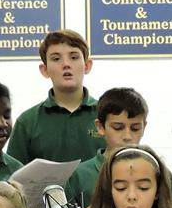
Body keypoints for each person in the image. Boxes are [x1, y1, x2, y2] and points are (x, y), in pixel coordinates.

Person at [7, 30, 105, 164]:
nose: (66, 64)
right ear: (44, 70)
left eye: (74, 57)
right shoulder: (27, 122)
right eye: (56, 59)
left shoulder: (107, 115)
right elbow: (14, 178)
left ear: (87, 66)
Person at [65, 87, 151, 207]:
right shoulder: (80, 176)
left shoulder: (157, 172)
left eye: (135, 128)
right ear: (100, 127)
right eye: (118, 127)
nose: (127, 136)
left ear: (144, 127)